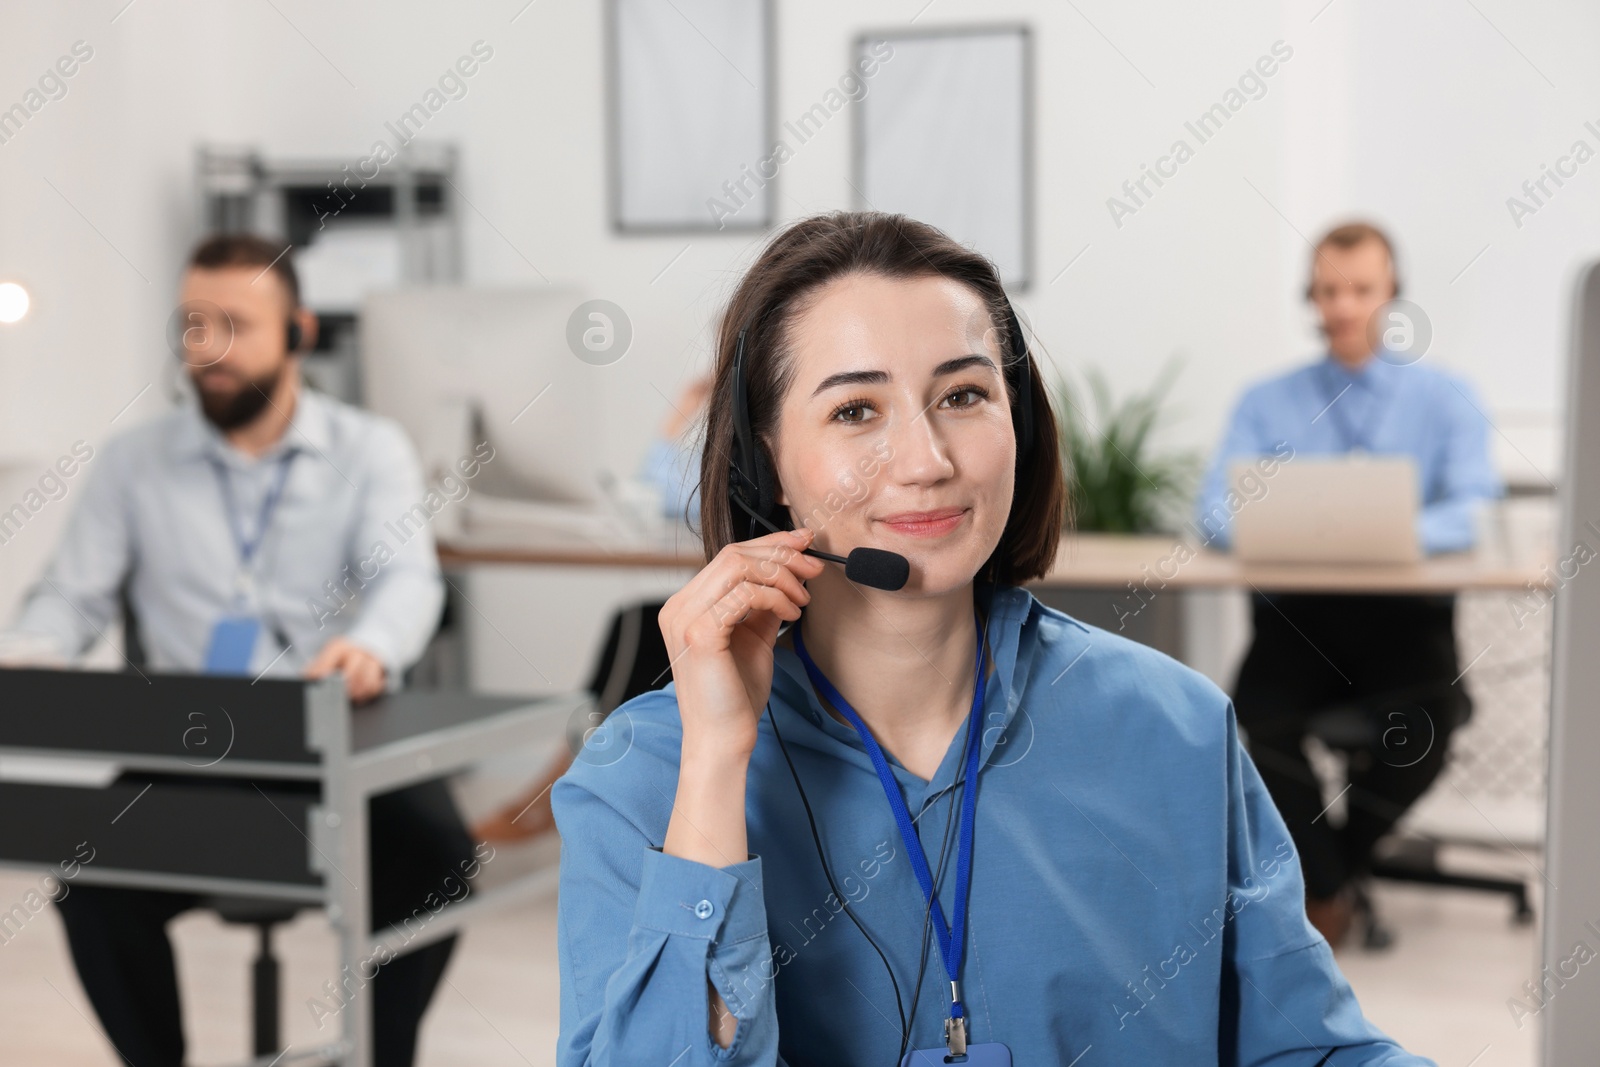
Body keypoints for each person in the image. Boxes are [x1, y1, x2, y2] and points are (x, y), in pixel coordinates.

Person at [550, 211, 1436, 1065]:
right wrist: (713, 765)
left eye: (964, 394)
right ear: (767, 462)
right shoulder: (644, 776)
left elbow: (1312, 1050)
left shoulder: (1177, 730)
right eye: (856, 411)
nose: (927, 458)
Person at [1, 234, 472, 1067]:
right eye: (192, 324)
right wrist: (33, 649)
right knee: (91, 881)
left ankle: (381, 1055)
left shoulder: (370, 450)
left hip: (335, 734)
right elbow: (69, 597)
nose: (207, 348)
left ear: (296, 331)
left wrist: (369, 646)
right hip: (188, 742)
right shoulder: (133, 462)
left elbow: (409, 582)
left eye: (234, 325)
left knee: (439, 857)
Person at [1195, 221, 1502, 947]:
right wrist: (1298, 531)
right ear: (1312, 295)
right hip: (1298, 623)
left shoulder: (1447, 397)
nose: (1343, 306)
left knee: (1427, 726)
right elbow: (1213, 511)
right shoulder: (1265, 400)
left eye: (1360, 289)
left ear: (1391, 292)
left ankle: (1328, 877)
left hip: (1405, 622)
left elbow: (1470, 508)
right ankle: (1330, 888)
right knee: (1255, 722)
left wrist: (1390, 531)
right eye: (1330, 290)